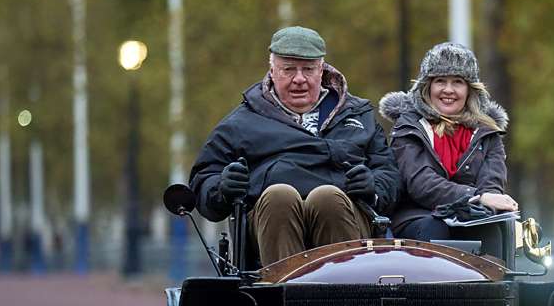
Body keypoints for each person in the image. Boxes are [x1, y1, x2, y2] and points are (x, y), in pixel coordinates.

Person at [188, 26, 400, 265]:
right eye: (288, 69)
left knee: (327, 197)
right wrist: (223, 187)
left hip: (344, 213)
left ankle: (342, 296)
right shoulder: (241, 123)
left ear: (322, 71)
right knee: (280, 196)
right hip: (272, 219)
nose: (299, 79)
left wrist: (373, 187)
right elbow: (204, 181)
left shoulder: (359, 115)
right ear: (272, 71)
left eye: (308, 69)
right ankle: (283, 297)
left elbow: (389, 174)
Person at [378, 42, 517, 252]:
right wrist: (476, 197)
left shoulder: (487, 133)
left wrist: (488, 200)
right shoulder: (408, 128)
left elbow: (492, 182)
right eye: (440, 81)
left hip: (472, 216)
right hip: (419, 216)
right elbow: (420, 183)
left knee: (491, 230)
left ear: (470, 89)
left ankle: (496, 284)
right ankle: (437, 286)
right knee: (435, 228)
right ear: (428, 86)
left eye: (458, 82)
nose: (448, 90)